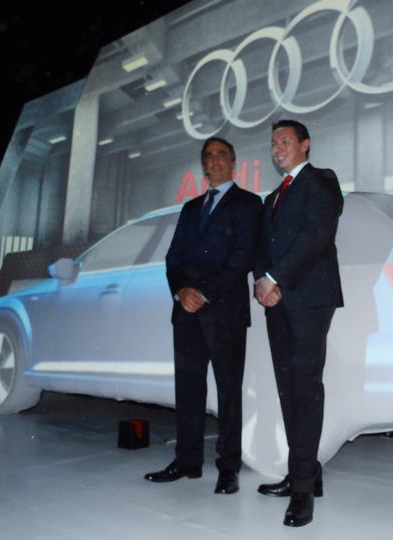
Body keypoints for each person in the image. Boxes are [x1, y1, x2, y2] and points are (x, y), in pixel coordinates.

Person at [144, 137, 261, 495]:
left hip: (225, 311)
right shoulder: (191, 208)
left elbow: (243, 256)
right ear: (204, 166)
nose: (215, 161)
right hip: (186, 312)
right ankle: (187, 461)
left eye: (221, 155)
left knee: (228, 392)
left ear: (233, 163)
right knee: (188, 390)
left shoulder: (249, 203)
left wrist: (205, 292)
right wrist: (182, 291)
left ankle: (229, 468)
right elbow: (173, 258)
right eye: (208, 157)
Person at [254, 119, 344, 526]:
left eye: (285, 141)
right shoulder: (272, 197)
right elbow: (261, 246)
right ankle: (303, 473)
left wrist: (275, 278)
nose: (277, 148)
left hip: (309, 299)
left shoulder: (321, 180)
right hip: (276, 301)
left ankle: (303, 493)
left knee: (305, 390)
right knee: (288, 390)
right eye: (273, 143)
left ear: (305, 144)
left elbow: (316, 235)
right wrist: (261, 281)